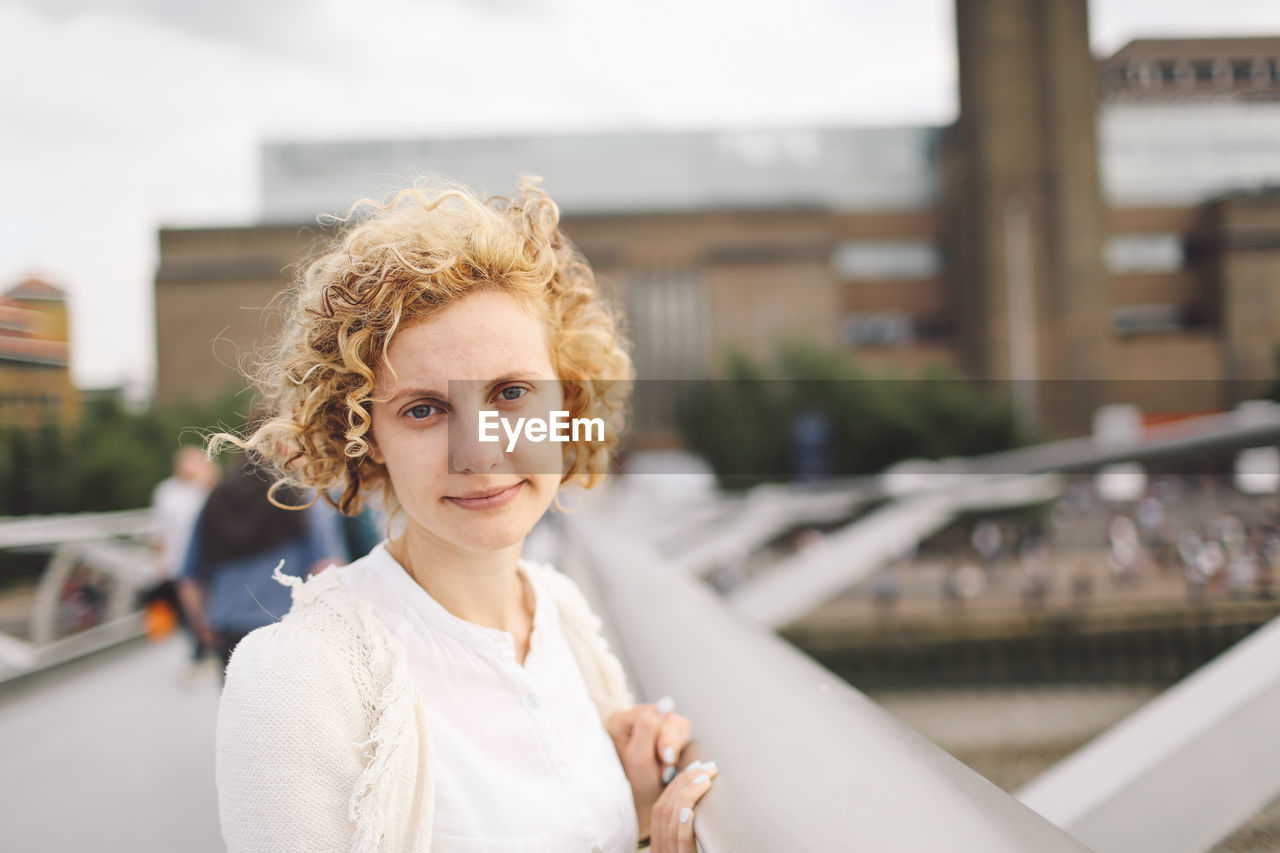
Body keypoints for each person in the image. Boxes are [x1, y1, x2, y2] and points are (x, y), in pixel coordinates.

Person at [211, 177, 717, 852]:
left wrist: (638, 806)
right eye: (424, 408)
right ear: (365, 437)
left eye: (511, 392)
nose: (479, 451)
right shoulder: (297, 682)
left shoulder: (564, 615)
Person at [177, 455, 349, 671]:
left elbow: (190, 579)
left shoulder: (215, 500)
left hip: (229, 628)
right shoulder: (301, 495)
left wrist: (202, 626)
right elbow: (326, 566)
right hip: (291, 626)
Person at [145, 446, 218, 658]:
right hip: (178, 558)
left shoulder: (208, 488)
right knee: (189, 606)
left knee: (209, 601)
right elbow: (160, 529)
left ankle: (209, 643)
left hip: (208, 558)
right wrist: (159, 561)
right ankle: (200, 645)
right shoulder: (167, 491)